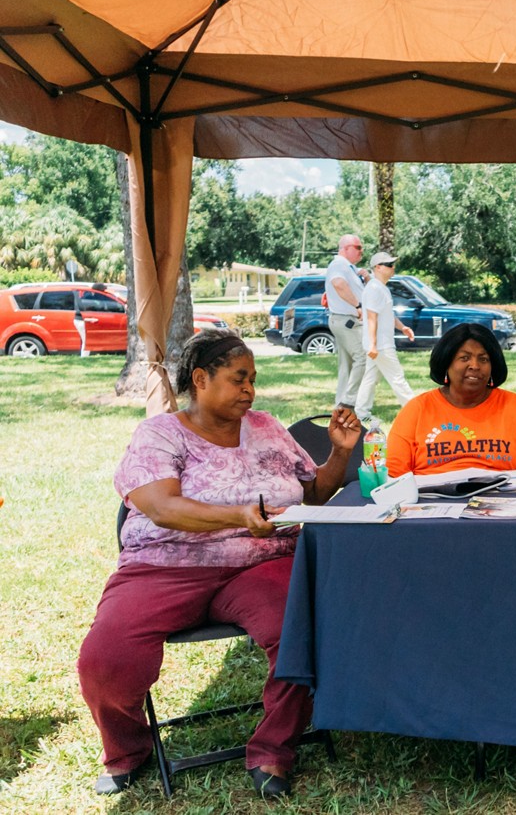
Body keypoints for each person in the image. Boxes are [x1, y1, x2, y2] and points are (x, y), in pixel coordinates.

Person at [78, 330, 361, 799]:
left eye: (253, 379)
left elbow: (311, 494)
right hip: (165, 564)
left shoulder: (268, 428)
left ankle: (274, 748)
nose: (250, 389)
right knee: (107, 658)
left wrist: (341, 452)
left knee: (300, 630)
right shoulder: (161, 433)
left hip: (261, 561)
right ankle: (128, 750)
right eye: (238, 378)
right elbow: (163, 507)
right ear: (201, 379)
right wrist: (239, 516)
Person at [386, 323, 516, 476]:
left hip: (502, 502)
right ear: (446, 363)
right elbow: (393, 475)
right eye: (464, 358)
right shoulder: (417, 409)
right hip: (432, 504)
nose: (475, 365)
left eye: (483, 359)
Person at [354, 251, 416, 421]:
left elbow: (386, 313)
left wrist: (403, 328)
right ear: (378, 267)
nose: (393, 267)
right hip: (381, 345)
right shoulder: (374, 288)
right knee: (397, 378)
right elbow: (372, 317)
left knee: (370, 378)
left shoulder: (381, 288)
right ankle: (415, 411)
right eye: (389, 265)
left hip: (378, 344)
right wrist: (373, 345)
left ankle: (361, 413)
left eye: (393, 264)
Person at [324, 233, 368, 409]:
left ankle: (341, 403)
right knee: (362, 358)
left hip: (344, 320)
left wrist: (365, 277)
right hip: (346, 321)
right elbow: (338, 284)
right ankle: (349, 401)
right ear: (346, 248)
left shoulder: (347, 267)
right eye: (358, 247)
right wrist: (357, 305)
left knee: (347, 365)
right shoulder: (339, 264)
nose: (361, 251)